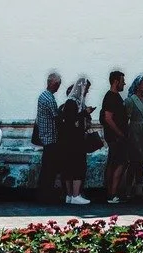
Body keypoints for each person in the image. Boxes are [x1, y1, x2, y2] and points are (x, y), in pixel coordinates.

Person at [56, 76, 93, 206]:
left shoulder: (75, 102)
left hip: (71, 140)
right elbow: (71, 120)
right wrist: (85, 112)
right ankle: (75, 194)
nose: (87, 91)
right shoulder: (72, 102)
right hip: (74, 140)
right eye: (86, 89)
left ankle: (70, 195)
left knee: (70, 167)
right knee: (77, 166)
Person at [101, 70, 131, 204]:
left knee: (114, 163)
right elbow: (108, 118)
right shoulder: (111, 97)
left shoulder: (115, 96)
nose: (124, 83)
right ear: (116, 81)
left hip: (116, 136)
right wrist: (120, 133)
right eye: (122, 81)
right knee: (119, 163)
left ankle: (110, 192)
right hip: (116, 137)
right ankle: (112, 194)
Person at [33, 73, 62, 203]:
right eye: (57, 84)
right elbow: (56, 117)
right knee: (49, 168)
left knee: (46, 167)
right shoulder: (50, 98)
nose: (58, 87)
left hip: (44, 136)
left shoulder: (42, 96)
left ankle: (43, 193)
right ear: (53, 83)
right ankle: (46, 194)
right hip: (50, 137)